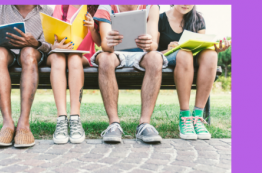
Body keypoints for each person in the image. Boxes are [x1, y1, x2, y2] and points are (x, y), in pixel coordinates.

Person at [91, 5, 168, 143]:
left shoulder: (151, 6)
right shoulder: (106, 6)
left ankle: (144, 124)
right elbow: (105, 46)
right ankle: (114, 124)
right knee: (105, 58)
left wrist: (148, 43)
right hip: (114, 53)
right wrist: (111, 42)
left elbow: (153, 45)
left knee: (156, 58)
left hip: (141, 54)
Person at [0, 5, 54, 147]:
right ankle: (7, 125)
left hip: (32, 55)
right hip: (5, 55)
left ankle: (23, 125)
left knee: (28, 52)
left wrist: (36, 43)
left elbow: (51, 45)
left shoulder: (48, 11)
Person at [157, 5, 231, 140]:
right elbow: (150, 52)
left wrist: (217, 49)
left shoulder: (198, 19)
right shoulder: (160, 18)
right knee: (185, 54)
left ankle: (197, 117)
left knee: (211, 55)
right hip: (168, 58)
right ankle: (185, 117)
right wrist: (167, 50)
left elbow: (201, 47)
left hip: (191, 59)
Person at [48, 5, 101, 144]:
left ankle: (75, 118)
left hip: (82, 55)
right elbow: (52, 33)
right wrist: (56, 45)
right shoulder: (62, 6)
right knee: (58, 59)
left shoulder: (95, 7)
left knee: (74, 58)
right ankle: (61, 119)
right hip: (60, 52)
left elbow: (100, 42)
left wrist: (92, 28)